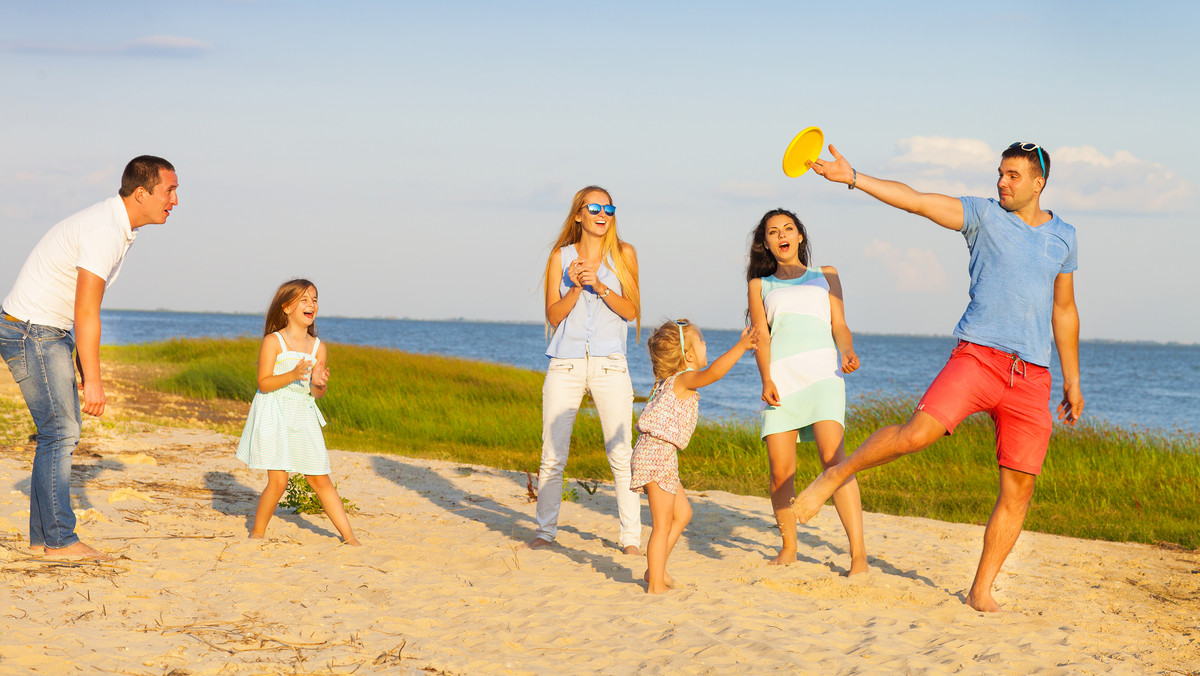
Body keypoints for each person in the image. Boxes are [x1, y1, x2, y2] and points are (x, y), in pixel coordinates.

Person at [793, 141, 1083, 611]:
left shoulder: (1064, 237)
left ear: (1038, 182)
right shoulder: (983, 216)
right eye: (1000, 173)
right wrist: (853, 177)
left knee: (1020, 489)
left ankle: (980, 590)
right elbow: (918, 201)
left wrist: (1071, 379)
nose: (1001, 182)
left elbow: (1065, 310)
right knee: (915, 434)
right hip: (979, 357)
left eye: (1012, 175)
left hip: (1033, 376)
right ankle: (837, 474)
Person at [0, 155, 178, 560]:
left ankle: (42, 540)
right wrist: (92, 379)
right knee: (61, 433)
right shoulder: (105, 230)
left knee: (55, 434)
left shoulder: (114, 226)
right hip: (34, 330)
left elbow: (77, 311)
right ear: (140, 192)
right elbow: (86, 311)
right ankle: (61, 541)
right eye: (169, 190)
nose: (175, 200)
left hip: (42, 329)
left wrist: (83, 367)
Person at [746, 209, 868, 575]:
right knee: (781, 471)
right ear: (765, 242)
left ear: (800, 236)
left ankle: (858, 556)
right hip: (782, 377)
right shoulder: (759, 284)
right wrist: (766, 379)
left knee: (836, 461)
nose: (781, 235)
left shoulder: (825, 275)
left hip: (823, 375)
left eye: (788, 228)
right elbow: (761, 337)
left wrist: (846, 351)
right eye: (772, 231)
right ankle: (789, 548)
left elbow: (840, 325)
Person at [526, 186, 643, 555]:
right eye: (594, 207)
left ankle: (631, 539)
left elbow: (632, 311)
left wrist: (601, 286)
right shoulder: (560, 257)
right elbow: (553, 315)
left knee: (621, 454)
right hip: (566, 362)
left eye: (608, 207)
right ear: (578, 214)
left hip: (611, 363)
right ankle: (546, 532)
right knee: (552, 454)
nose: (602, 213)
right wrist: (575, 289)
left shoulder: (624, 254)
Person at [632, 319, 757, 593]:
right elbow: (713, 373)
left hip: (658, 453)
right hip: (657, 453)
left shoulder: (669, 382)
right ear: (688, 355)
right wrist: (741, 345)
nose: (705, 344)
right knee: (662, 525)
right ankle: (655, 584)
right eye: (701, 341)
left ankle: (656, 568)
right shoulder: (685, 379)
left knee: (683, 513)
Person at [235, 279, 360, 546]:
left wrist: (319, 384)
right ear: (287, 307)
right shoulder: (274, 341)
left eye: (314, 299)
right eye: (304, 299)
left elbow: (316, 394)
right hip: (274, 411)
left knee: (319, 478)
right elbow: (264, 383)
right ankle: (257, 534)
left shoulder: (318, 347)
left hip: (302, 414)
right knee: (278, 481)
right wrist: (291, 374)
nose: (311, 304)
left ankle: (349, 538)